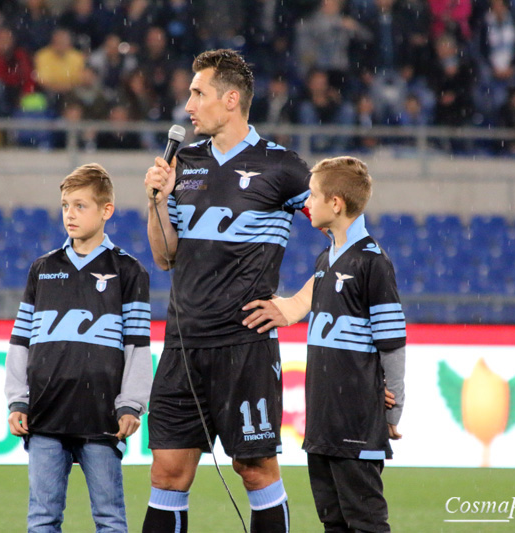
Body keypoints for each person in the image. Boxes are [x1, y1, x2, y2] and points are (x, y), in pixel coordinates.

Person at [142, 48, 311, 533]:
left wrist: (297, 303)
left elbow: (348, 237)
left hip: (245, 347)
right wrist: (156, 200)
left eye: (198, 93)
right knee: (168, 473)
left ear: (231, 99)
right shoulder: (185, 164)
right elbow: (165, 256)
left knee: (254, 470)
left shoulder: (282, 167)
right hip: (182, 345)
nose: (188, 105)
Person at [242, 156, 407, 533]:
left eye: (314, 196)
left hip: (356, 420)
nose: (307, 204)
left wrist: (394, 411)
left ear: (336, 203)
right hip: (323, 421)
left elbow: (392, 343)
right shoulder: (324, 260)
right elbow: (300, 303)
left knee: (365, 522)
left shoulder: (373, 263)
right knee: (332, 521)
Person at [5, 163, 153, 532]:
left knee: (109, 518)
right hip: (45, 415)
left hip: (101, 417)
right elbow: (20, 341)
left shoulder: (129, 271)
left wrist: (132, 404)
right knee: (43, 518)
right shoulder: (42, 269)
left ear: (107, 211)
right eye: (65, 206)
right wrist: (17, 399)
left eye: (80, 205)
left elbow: (137, 345)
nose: (70, 214)